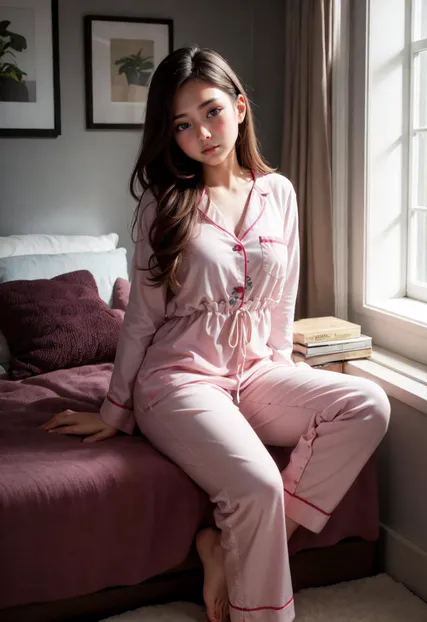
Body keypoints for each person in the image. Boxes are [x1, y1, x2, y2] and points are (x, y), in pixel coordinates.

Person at [40, 47, 391, 622]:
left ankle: (222, 548)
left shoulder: (279, 193)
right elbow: (142, 318)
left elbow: (282, 296)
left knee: (367, 404)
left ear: (240, 107)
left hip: (254, 372)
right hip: (177, 380)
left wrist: (285, 372)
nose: (201, 133)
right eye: (181, 124)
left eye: (211, 112)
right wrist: (113, 410)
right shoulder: (164, 204)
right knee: (255, 487)